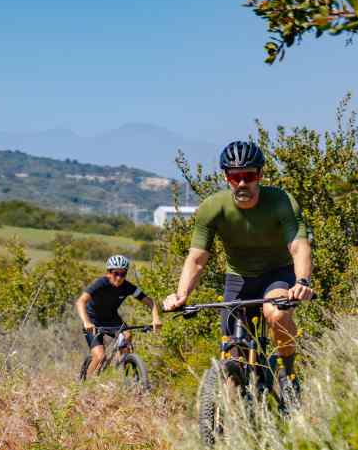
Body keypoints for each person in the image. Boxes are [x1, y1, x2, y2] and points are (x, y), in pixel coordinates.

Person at [162, 140, 314, 394]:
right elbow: (197, 258)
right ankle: (236, 408)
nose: (242, 183)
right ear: (226, 177)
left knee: (277, 314)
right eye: (235, 177)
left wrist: (302, 282)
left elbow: (299, 246)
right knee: (232, 354)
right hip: (239, 279)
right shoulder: (212, 208)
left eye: (249, 176)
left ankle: (288, 374)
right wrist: (181, 295)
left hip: (277, 274)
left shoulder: (281, 201)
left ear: (260, 175)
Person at [76, 254, 161, 378]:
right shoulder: (100, 284)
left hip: (112, 318)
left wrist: (156, 319)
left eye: (123, 274)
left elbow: (150, 302)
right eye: (116, 273)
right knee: (100, 357)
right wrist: (86, 322)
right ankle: (86, 384)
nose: (119, 277)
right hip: (93, 320)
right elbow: (81, 302)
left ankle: (121, 367)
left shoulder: (128, 287)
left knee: (127, 336)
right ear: (109, 272)